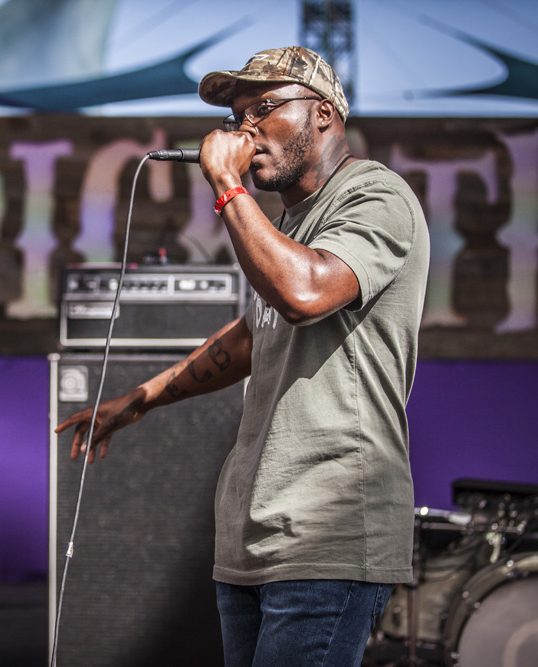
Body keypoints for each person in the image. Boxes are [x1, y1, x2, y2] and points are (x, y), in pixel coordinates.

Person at [55, 46, 430, 667]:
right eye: (237, 118)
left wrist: (227, 185)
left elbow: (304, 294)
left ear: (324, 115)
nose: (243, 130)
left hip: (327, 529)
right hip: (256, 536)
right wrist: (141, 398)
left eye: (262, 109)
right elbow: (254, 335)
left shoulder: (375, 194)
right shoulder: (287, 228)